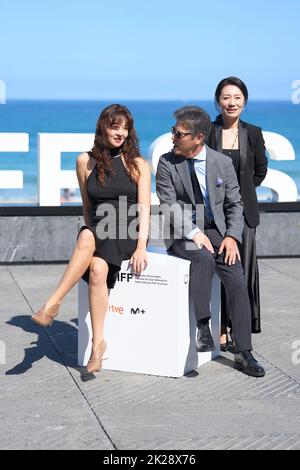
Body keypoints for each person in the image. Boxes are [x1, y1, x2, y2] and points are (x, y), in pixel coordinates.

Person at [32, 104, 151, 373]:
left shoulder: (139, 164)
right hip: (97, 229)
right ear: (103, 127)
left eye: (125, 128)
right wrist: (92, 235)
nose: (120, 133)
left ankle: (53, 304)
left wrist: (142, 245)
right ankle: (98, 345)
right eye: (114, 126)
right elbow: (87, 207)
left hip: (126, 231)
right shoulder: (84, 161)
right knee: (96, 268)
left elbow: (144, 208)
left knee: (87, 238)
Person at [156, 105, 265, 377]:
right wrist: (194, 233)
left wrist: (231, 236)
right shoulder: (166, 162)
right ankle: (204, 325)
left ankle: (244, 351)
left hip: (217, 229)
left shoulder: (222, 163)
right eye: (173, 131)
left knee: (236, 277)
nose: (173, 137)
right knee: (202, 256)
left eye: (178, 133)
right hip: (183, 231)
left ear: (198, 137)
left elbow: (235, 204)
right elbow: (168, 205)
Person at [206, 77, 268, 350]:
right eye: (226, 97)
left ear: (244, 102)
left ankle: (237, 326)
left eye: (237, 97)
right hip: (214, 214)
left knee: (241, 272)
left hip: (244, 215)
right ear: (218, 102)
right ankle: (218, 326)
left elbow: (260, 170)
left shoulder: (253, 133)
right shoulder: (208, 131)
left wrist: (240, 196)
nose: (231, 102)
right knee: (219, 269)